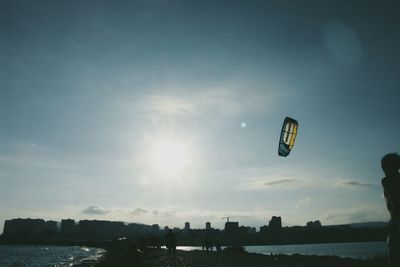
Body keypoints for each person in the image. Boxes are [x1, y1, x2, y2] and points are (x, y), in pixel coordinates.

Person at [381, 153, 400, 267]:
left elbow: (395, 205)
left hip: (396, 227)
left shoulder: (388, 181)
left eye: (383, 165)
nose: (382, 168)